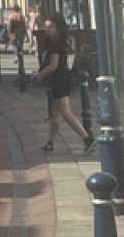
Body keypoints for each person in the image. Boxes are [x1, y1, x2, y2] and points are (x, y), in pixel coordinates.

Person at [30, 12, 95, 155]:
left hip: (60, 81)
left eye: (51, 27)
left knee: (65, 113)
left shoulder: (57, 45)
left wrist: (39, 76)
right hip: (57, 81)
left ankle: (87, 138)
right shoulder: (57, 43)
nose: (47, 30)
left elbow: (53, 66)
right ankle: (50, 143)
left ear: (59, 28)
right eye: (46, 27)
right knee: (54, 114)